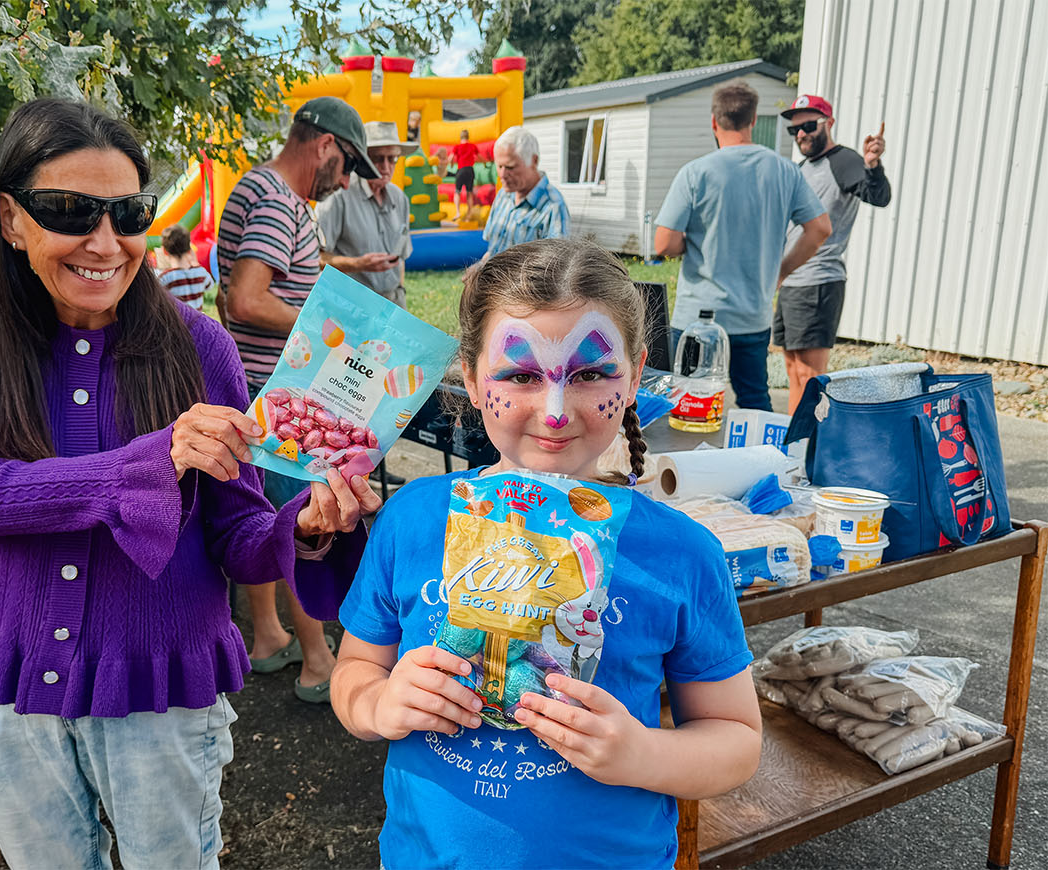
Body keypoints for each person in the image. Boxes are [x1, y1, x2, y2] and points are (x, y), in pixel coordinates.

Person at [0, 98, 379, 869]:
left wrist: (302, 526)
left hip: (158, 691)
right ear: (10, 219)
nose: (105, 242)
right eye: (70, 211)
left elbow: (239, 536)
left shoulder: (201, 347)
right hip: (6, 683)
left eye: (128, 214)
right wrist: (147, 462)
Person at [330, 238, 761, 870]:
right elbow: (354, 670)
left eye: (589, 375)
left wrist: (642, 754)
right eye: (521, 375)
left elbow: (737, 741)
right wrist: (377, 703)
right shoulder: (413, 519)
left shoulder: (681, 553)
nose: (555, 412)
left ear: (635, 375)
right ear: (472, 379)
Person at [218, 95, 380, 702]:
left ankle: (267, 637)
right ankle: (317, 660)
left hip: (257, 389)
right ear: (326, 145)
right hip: (280, 399)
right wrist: (331, 335)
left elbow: (262, 279)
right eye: (348, 165)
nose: (346, 181)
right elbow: (247, 298)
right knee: (302, 523)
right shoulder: (276, 201)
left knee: (258, 512)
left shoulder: (260, 190)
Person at [655, 80, 831, 412]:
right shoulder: (785, 171)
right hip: (752, 317)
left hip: (698, 317)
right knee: (754, 402)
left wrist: (689, 243)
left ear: (714, 121)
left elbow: (664, 242)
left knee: (688, 405)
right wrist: (782, 270)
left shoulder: (696, 173)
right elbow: (820, 228)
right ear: (753, 120)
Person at [776, 95, 891, 413]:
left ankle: (808, 440)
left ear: (829, 123)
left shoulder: (843, 161)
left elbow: (878, 196)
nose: (801, 134)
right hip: (791, 281)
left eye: (808, 126)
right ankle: (794, 437)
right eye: (795, 130)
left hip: (818, 281)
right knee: (792, 370)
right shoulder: (802, 168)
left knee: (810, 375)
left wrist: (873, 165)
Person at [317, 121, 415, 310]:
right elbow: (316, 258)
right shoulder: (338, 196)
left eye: (392, 159)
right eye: (378, 158)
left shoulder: (399, 198)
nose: (386, 167)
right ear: (362, 160)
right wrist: (358, 264)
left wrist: (400, 291)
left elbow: (400, 259)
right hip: (349, 308)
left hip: (392, 305)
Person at [482, 126, 570, 258]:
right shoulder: (503, 195)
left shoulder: (554, 207)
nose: (502, 174)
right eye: (499, 166)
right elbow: (492, 250)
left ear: (534, 161)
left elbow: (557, 267)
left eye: (510, 167)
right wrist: (478, 267)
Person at [156, 223, 214, 312]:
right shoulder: (200, 273)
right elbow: (209, 285)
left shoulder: (165, 278)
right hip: (197, 319)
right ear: (189, 249)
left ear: (164, 251)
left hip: (177, 320)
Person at [449, 129, 479, 221]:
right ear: (468, 137)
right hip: (470, 170)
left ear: (460, 137)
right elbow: (479, 156)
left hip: (461, 170)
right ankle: (469, 214)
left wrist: (451, 164)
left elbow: (451, 158)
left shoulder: (457, 147)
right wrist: (486, 163)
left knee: (457, 192)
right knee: (469, 193)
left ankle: (458, 212)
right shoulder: (472, 146)